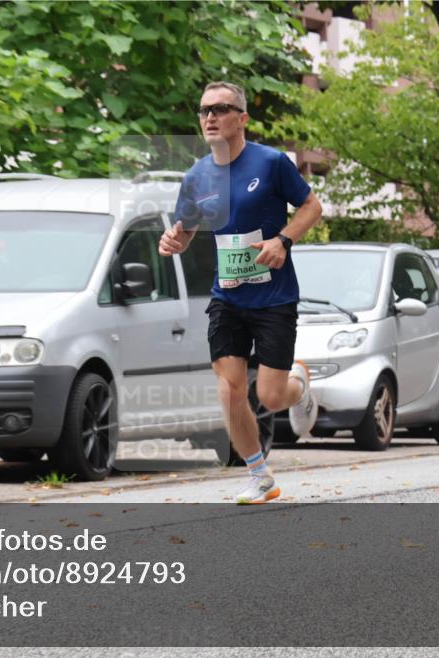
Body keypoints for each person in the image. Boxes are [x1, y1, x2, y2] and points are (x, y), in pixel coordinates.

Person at [159, 81, 322, 504]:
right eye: (204, 110)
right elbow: (187, 229)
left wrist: (281, 241)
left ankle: (299, 386)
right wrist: (174, 241)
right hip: (227, 297)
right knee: (230, 386)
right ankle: (259, 474)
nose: (209, 117)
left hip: (274, 297)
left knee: (270, 395)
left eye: (221, 109)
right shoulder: (196, 176)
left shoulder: (270, 163)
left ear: (242, 118)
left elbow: (312, 208)